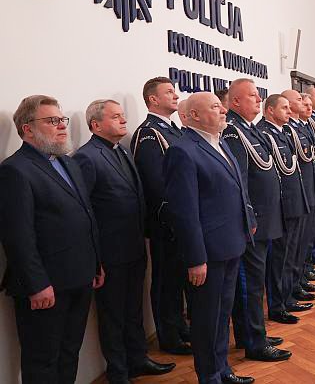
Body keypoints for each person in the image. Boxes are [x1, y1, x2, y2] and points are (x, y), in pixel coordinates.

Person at [0, 95, 104, 384]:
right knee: (42, 361)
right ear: (27, 128)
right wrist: (36, 285)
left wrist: (96, 262)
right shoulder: (15, 169)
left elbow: (86, 215)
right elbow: (17, 235)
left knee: (70, 352)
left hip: (79, 277)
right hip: (46, 287)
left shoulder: (67, 163)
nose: (61, 126)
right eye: (51, 120)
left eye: (62, 120)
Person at [74, 100, 175, 383]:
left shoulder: (122, 151)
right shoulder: (87, 157)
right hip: (110, 253)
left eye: (122, 115)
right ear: (96, 125)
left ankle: (138, 359)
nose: (123, 120)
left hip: (133, 247)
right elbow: (86, 212)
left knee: (133, 310)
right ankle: (118, 372)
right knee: (113, 316)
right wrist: (96, 259)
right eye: (115, 116)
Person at [164, 92, 256, 384]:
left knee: (222, 315)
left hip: (231, 244)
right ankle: (209, 376)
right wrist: (196, 258)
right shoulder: (183, 150)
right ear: (193, 116)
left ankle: (222, 368)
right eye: (215, 107)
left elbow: (238, 188)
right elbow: (185, 211)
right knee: (205, 319)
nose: (223, 111)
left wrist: (248, 221)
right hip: (208, 253)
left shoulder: (222, 143)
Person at [220, 79, 291, 362]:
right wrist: (249, 217)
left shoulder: (248, 129)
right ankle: (253, 341)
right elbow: (240, 182)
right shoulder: (235, 133)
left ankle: (252, 332)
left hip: (263, 217)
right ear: (235, 102)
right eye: (252, 96)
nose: (258, 99)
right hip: (254, 222)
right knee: (251, 284)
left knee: (255, 281)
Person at [131, 77, 191, 355]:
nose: (176, 96)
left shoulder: (174, 131)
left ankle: (179, 325)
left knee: (179, 278)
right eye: (169, 92)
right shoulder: (149, 133)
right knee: (166, 279)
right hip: (165, 221)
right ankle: (169, 336)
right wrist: (175, 215)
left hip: (181, 220)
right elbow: (156, 184)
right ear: (152, 99)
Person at [257, 94, 312, 325]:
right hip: (283, 205)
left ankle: (289, 294)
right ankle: (279, 305)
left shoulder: (281, 131)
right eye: (285, 108)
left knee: (292, 253)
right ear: (270, 110)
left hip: (295, 201)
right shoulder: (264, 133)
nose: (290, 112)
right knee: (280, 258)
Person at [285, 91, 315, 310]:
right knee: (291, 249)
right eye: (300, 100)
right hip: (297, 198)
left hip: (309, 191)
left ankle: (299, 280)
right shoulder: (289, 130)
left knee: (303, 242)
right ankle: (287, 294)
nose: (305, 104)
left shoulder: (301, 127)